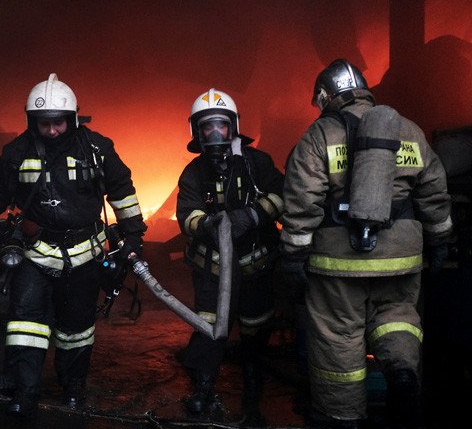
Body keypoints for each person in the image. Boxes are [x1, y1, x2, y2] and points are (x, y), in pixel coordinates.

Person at [0, 73, 147, 416]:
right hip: (35, 252)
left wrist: (133, 237)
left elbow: (122, 191)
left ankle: (73, 389)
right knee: (25, 325)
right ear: (33, 122)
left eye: (58, 122)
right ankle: (24, 392)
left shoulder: (97, 150)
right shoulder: (17, 152)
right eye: (43, 124)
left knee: (76, 330)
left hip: (85, 253)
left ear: (73, 118)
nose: (52, 131)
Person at [280, 59, 453, 428]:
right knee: (398, 319)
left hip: (338, 264)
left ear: (326, 96)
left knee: (338, 334)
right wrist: (440, 241)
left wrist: (293, 256)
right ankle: (404, 376)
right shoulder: (409, 130)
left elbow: (301, 200)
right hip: (402, 258)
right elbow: (435, 192)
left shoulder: (320, 135)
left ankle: (341, 416)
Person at [175, 88, 285, 427]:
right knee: (209, 325)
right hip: (212, 268)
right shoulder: (193, 173)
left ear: (234, 126)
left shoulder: (257, 163)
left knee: (255, 327)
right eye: (207, 127)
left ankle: (253, 390)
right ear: (196, 132)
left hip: (256, 264)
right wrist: (207, 224)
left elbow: (283, 195)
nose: (215, 134)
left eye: (221, 125)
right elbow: (186, 215)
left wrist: (251, 216)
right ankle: (204, 387)